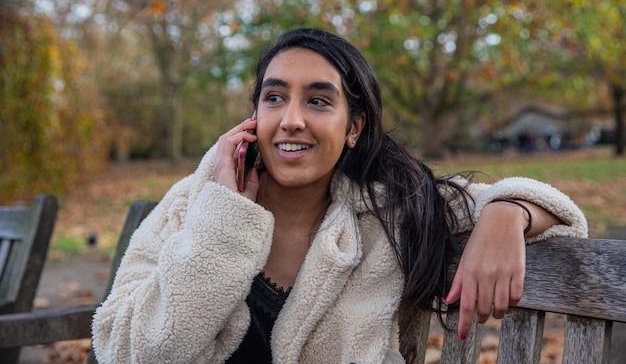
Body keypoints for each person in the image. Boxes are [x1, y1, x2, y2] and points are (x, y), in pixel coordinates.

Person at [92, 28, 587, 364]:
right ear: (254, 118)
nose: (291, 119)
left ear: (354, 127)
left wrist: (504, 214)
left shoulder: (391, 211)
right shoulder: (193, 203)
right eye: (275, 97)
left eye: (318, 101)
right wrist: (222, 224)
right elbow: (121, 349)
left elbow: (566, 220)